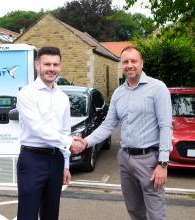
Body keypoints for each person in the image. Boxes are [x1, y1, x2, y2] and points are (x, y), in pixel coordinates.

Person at [79, 46, 173, 220]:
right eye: (125, 62)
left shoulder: (157, 88)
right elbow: (108, 125)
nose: (129, 65)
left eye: (133, 61)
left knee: (156, 214)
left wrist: (163, 163)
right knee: (135, 211)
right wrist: (85, 142)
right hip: (125, 159)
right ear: (121, 65)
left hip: (149, 160)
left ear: (142, 63)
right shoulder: (118, 93)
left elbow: (165, 126)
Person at [16, 46, 84, 220]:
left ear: (60, 66)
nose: (52, 69)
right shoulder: (27, 94)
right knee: (27, 215)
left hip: (55, 160)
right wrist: (68, 142)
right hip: (32, 160)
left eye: (55, 64)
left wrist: (66, 165)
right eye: (47, 64)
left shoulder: (63, 97)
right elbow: (37, 128)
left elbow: (64, 131)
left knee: (51, 214)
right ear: (37, 65)